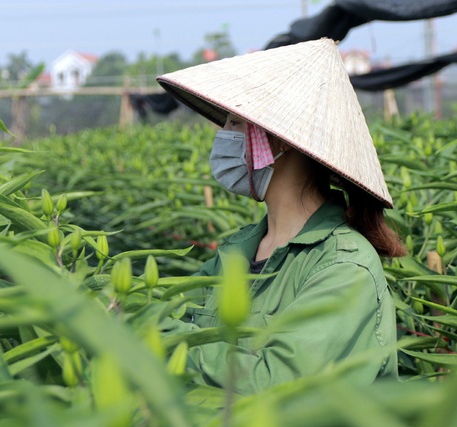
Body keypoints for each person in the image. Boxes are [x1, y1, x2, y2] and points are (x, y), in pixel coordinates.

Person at [156, 39, 406, 398]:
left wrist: (173, 349)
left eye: (235, 121)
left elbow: (276, 384)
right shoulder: (238, 251)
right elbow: (161, 313)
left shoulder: (345, 267)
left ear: (279, 142)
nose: (223, 136)